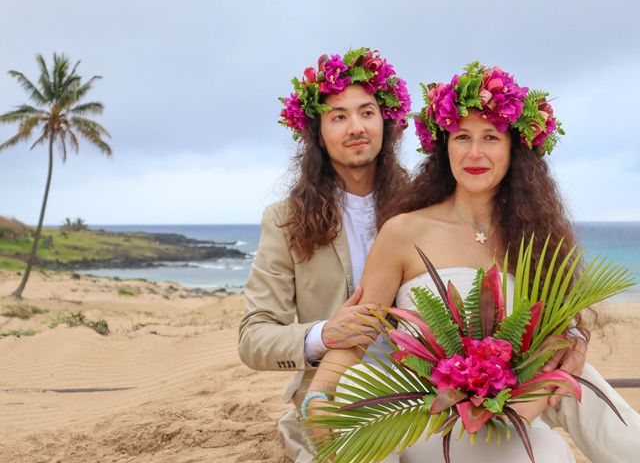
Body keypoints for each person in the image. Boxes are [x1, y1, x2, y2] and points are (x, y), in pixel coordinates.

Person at [305, 62, 640, 462]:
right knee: (547, 452)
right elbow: (356, 337)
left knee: (573, 376)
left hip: (511, 414)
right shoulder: (404, 232)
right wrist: (320, 393)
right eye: (462, 136)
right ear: (445, 146)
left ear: (514, 148)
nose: (475, 153)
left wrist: (569, 350)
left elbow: (557, 338)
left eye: (490, 138)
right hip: (425, 419)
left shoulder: (535, 240)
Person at [237, 48, 412, 462]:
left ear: (385, 122)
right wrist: (324, 335)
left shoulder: (422, 208)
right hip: (331, 400)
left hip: (420, 392)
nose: (356, 127)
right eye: (338, 116)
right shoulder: (285, 220)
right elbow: (252, 337)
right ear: (317, 133)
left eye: (367, 112)